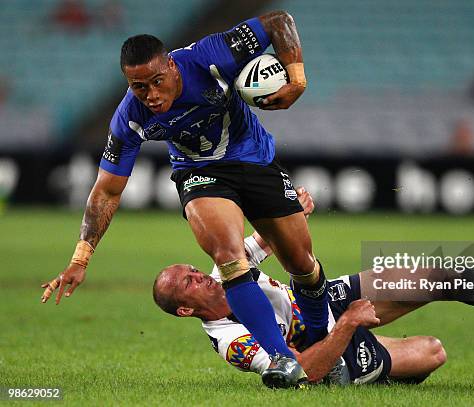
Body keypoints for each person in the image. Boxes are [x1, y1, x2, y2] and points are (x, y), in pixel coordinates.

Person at [40, 11, 330, 389]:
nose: (151, 95)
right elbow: (107, 190)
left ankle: (321, 344)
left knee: (302, 263)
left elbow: (279, 21)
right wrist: (81, 257)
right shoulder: (129, 117)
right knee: (228, 256)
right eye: (139, 87)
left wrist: (297, 80)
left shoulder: (212, 56)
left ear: (172, 66)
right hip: (199, 173)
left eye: (157, 81)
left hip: (254, 158)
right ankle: (281, 358)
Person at [153, 189, 474, 386]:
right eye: (188, 281)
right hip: (325, 348)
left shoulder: (226, 268)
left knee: (438, 274)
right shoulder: (232, 343)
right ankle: (369, 374)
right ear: (187, 311)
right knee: (433, 351)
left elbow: (268, 238)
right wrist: (346, 327)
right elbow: (298, 370)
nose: (199, 274)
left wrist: (293, 212)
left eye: (192, 268)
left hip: (322, 299)